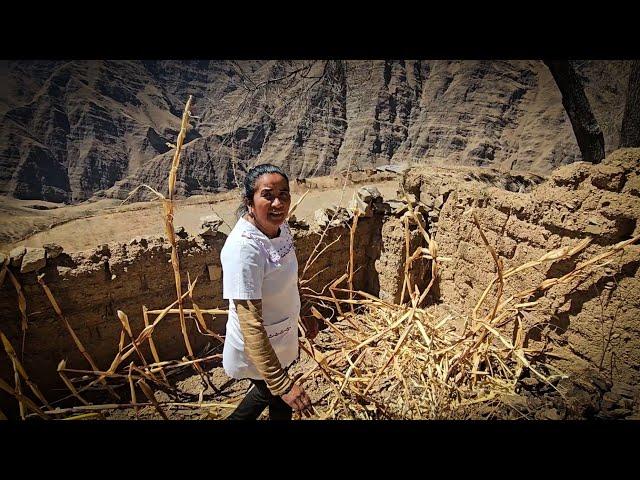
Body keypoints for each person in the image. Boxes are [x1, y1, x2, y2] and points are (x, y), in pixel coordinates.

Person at [220, 163, 318, 420]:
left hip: (281, 334)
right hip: (258, 347)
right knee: (274, 389)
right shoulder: (244, 250)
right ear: (249, 201)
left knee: (270, 395)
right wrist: (284, 385)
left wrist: (304, 311)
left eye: (283, 194)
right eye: (267, 195)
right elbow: (251, 324)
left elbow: (289, 275)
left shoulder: (280, 228)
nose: (278, 203)